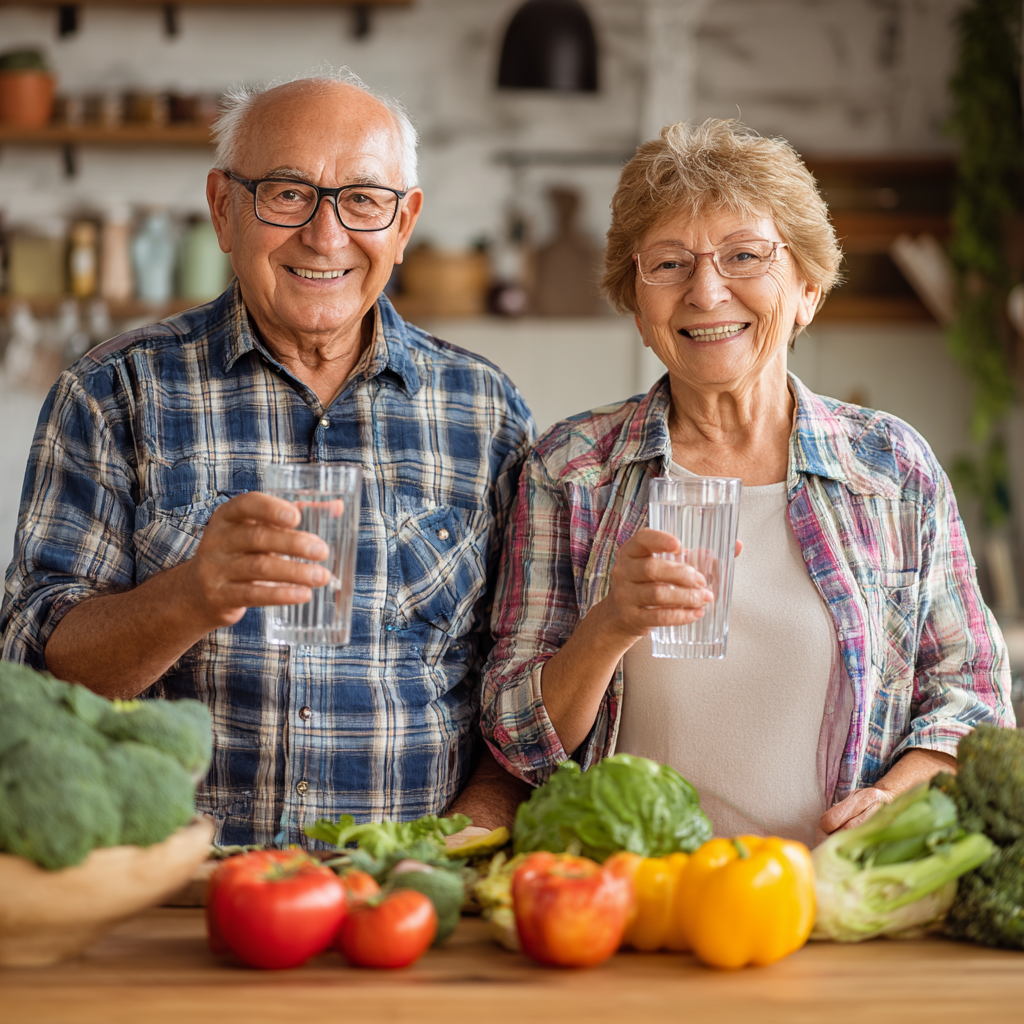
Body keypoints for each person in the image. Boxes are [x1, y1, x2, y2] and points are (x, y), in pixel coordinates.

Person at [1, 70, 532, 846]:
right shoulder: (113, 393)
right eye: (287, 194)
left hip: (407, 906)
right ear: (224, 209)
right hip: (172, 895)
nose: (326, 235)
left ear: (404, 221)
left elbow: (519, 694)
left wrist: (444, 853)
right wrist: (191, 598)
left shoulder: (484, 411)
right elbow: (32, 670)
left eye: (363, 199)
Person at [481, 119, 1014, 848]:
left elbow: (973, 692)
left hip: (823, 902)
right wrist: (611, 624)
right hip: (635, 903)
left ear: (807, 291)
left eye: (744, 257)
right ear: (639, 310)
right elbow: (514, 740)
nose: (706, 291)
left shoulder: (891, 467)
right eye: (669, 264)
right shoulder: (570, 469)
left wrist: (898, 793)